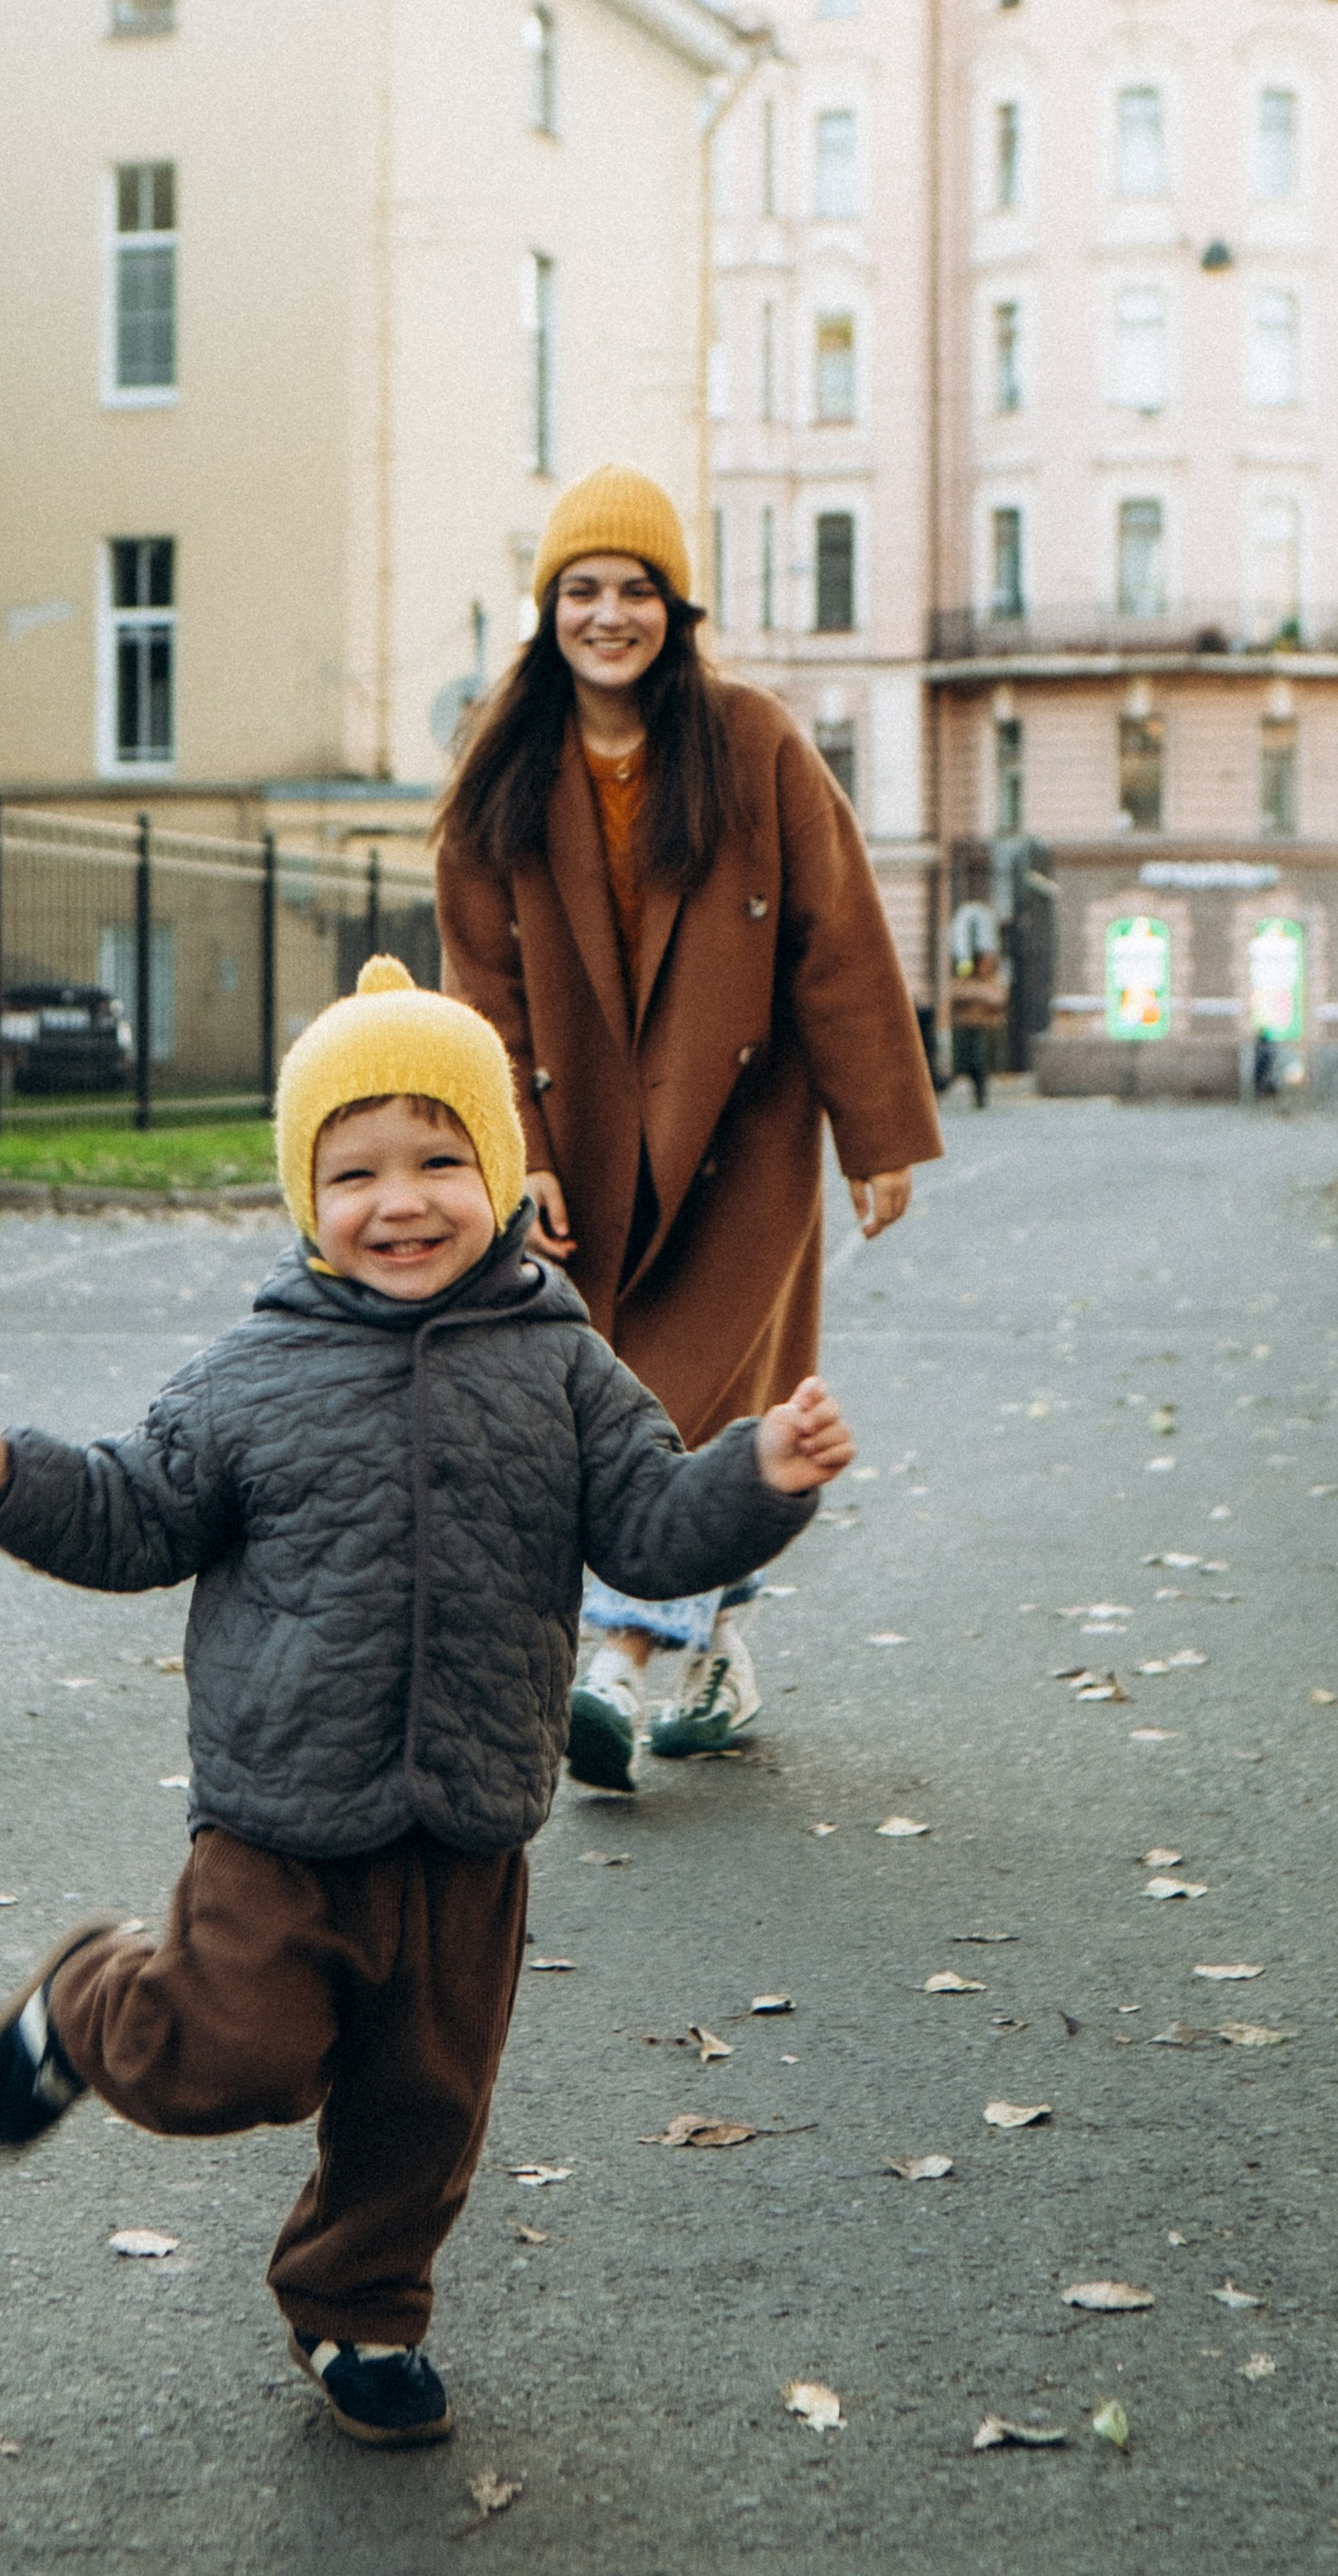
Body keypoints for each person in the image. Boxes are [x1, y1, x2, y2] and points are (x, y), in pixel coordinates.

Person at [0, 955, 849, 2453]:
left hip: (470, 1817)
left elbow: (652, 1532)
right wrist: (14, 1480)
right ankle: (90, 2007)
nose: (399, 1200)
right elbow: (138, 1515)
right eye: (354, 1171)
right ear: (306, 1193)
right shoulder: (251, 1374)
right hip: (283, 1814)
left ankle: (357, 2311)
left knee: (422, 2105)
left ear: (498, 1171)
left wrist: (760, 1478)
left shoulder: (564, 1367)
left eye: (437, 1160)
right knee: (236, 2058)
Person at [435, 461, 939, 1791]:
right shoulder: (502, 772)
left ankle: (614, 1667)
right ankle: (713, 1652)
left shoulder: (754, 743)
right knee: (633, 1412)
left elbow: (837, 943)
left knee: (692, 1393)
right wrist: (512, 1157)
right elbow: (478, 987)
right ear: (550, 611)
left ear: (678, 605)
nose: (611, 615)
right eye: (583, 591)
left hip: (743, 1143)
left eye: (637, 589)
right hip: (581, 1149)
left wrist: (876, 1132)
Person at [947, 948, 1009, 1107]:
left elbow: (997, 999)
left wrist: (976, 994)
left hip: (986, 1028)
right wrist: (979, 994)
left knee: (980, 1061)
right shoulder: (966, 979)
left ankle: (981, 1093)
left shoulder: (995, 980)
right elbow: (956, 993)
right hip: (966, 1025)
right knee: (964, 1061)